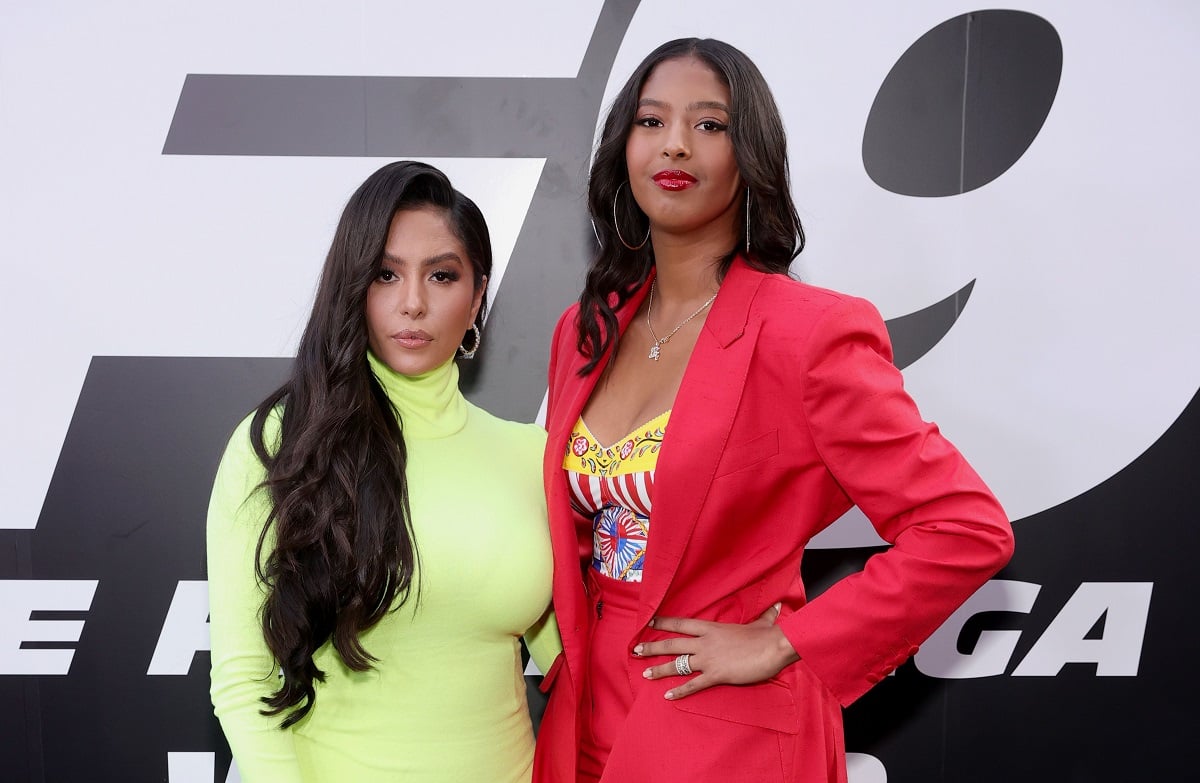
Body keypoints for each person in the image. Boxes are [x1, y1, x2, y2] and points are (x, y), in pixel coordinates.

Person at [532, 38, 1015, 783]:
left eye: (710, 125)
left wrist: (791, 638)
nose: (676, 146)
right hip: (586, 721)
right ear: (622, 147)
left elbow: (964, 527)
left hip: (725, 731)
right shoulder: (585, 330)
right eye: (651, 121)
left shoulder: (808, 333)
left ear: (747, 151)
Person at [206, 161, 559, 783]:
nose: (413, 303)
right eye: (385, 274)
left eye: (442, 275)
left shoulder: (531, 456)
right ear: (352, 287)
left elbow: (574, 667)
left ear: (478, 295)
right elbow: (242, 679)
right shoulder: (283, 444)